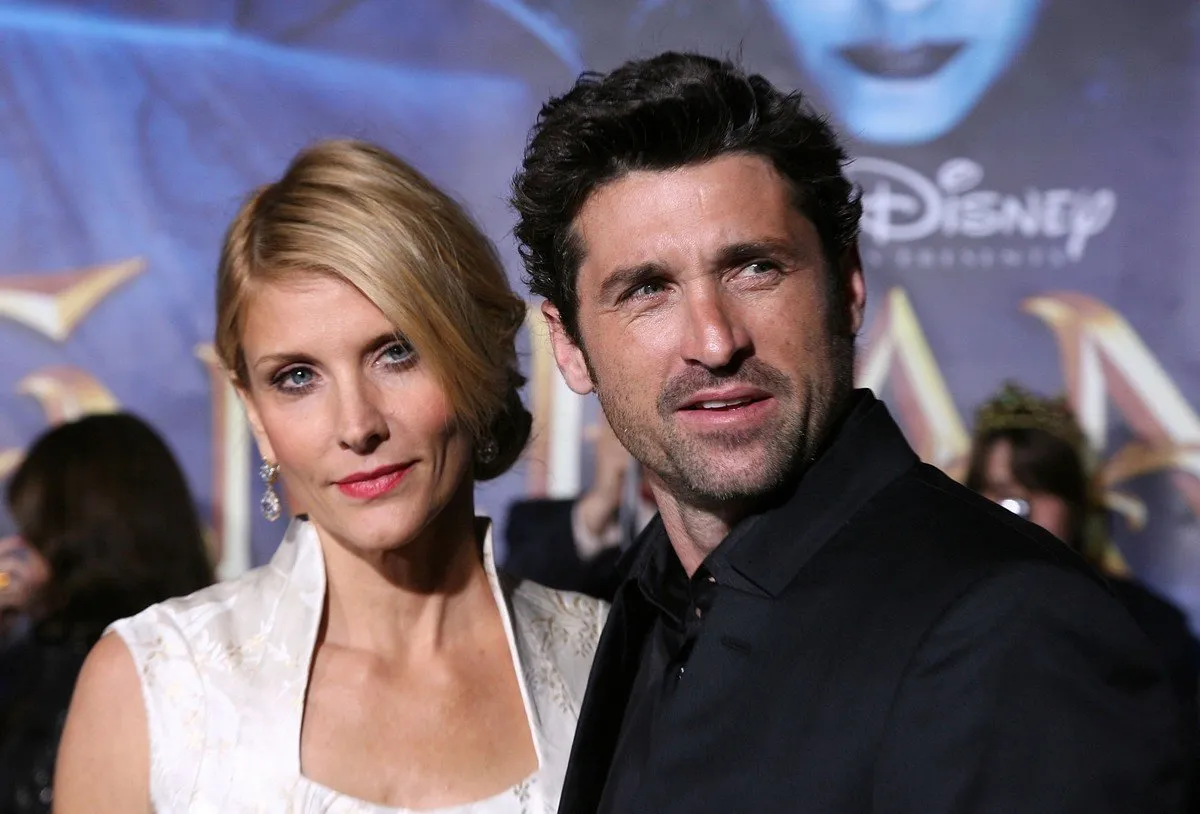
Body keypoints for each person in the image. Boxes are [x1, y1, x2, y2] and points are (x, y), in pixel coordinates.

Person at [511, 52, 1189, 813]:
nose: (712, 339)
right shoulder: (643, 604)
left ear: (848, 286)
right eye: (646, 290)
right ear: (568, 346)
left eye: (755, 268)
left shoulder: (1011, 627)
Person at [54, 140, 608, 812]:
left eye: (396, 353)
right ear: (255, 413)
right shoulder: (152, 683)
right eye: (297, 378)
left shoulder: (613, 660)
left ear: (483, 356)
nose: (357, 424)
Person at [0, 413, 214, 814]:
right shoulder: (205, 642)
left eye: (33, 530)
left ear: (69, 534)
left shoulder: (63, 663)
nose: (18, 545)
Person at [966, 381, 1200, 726]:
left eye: (1032, 490)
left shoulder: (1144, 625)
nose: (1017, 510)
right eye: (1000, 493)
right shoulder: (946, 613)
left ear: (1072, 503)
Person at [504, 414, 652, 601]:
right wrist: (600, 504)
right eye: (620, 433)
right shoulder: (532, 519)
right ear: (598, 438)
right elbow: (523, 596)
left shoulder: (693, 525)